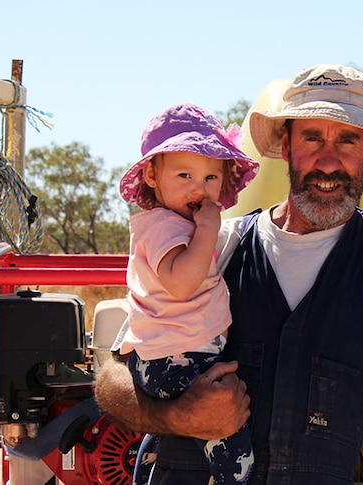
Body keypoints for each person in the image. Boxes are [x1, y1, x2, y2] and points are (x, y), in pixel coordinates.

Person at [97, 65, 363, 485]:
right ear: (285, 147)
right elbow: (114, 375)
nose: (329, 161)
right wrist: (174, 417)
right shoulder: (214, 246)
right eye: (312, 137)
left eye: (348, 140)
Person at [117, 102, 260, 484]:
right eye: (184, 175)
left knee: (207, 430)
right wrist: (209, 230)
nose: (200, 188)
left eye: (212, 177)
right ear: (151, 174)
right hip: (175, 358)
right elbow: (181, 283)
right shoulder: (163, 226)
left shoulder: (179, 225)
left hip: (175, 354)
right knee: (225, 430)